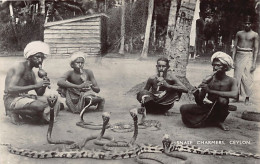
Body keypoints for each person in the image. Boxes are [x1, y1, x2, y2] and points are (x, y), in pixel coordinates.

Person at [3, 41, 61, 125]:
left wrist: (44, 85)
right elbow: (10, 89)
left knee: (56, 102)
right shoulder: (20, 66)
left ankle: (37, 116)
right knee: (40, 106)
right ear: (29, 57)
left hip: (24, 97)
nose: (40, 60)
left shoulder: (31, 73)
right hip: (11, 99)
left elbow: (39, 93)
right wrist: (35, 85)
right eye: (37, 57)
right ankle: (13, 112)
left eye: (41, 58)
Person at [180, 52, 238, 131]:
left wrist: (210, 91)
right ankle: (211, 121)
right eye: (214, 65)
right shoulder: (210, 80)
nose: (215, 68)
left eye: (218, 65)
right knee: (183, 108)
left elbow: (234, 94)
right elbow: (200, 102)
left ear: (225, 67)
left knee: (222, 100)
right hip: (207, 107)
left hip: (221, 108)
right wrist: (197, 94)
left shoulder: (232, 80)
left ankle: (220, 121)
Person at [232, 16, 259, 105]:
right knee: (237, 76)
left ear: (251, 24)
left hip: (249, 55)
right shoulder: (239, 33)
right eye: (245, 23)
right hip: (239, 55)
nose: (247, 25)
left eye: (249, 23)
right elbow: (235, 47)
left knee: (248, 77)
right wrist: (233, 60)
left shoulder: (255, 34)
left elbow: (256, 49)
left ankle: (247, 97)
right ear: (243, 24)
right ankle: (236, 96)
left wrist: (254, 63)